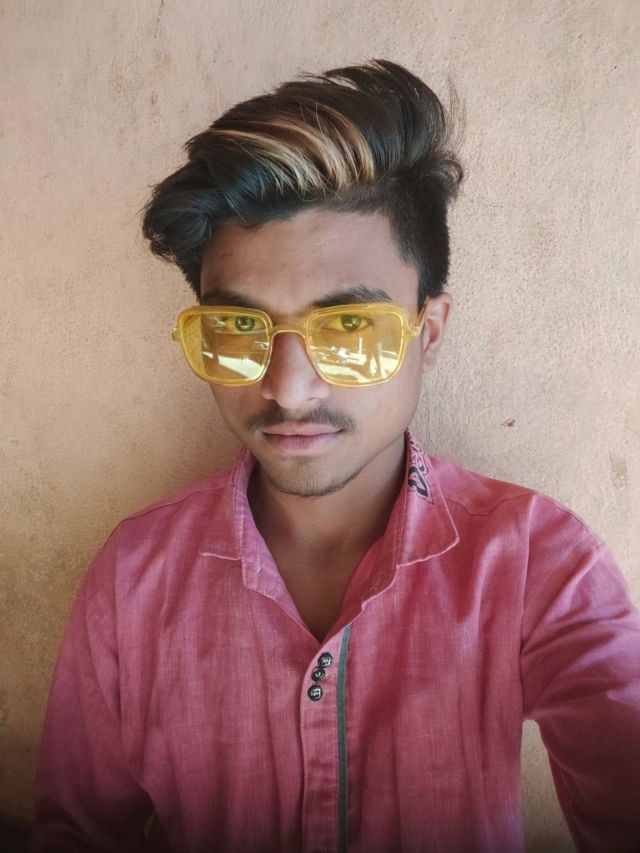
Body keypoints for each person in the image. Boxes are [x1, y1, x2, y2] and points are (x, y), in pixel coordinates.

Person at [31, 59, 640, 853]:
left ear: (429, 332)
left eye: (350, 328)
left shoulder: (537, 563)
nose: (286, 388)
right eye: (239, 328)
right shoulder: (133, 576)